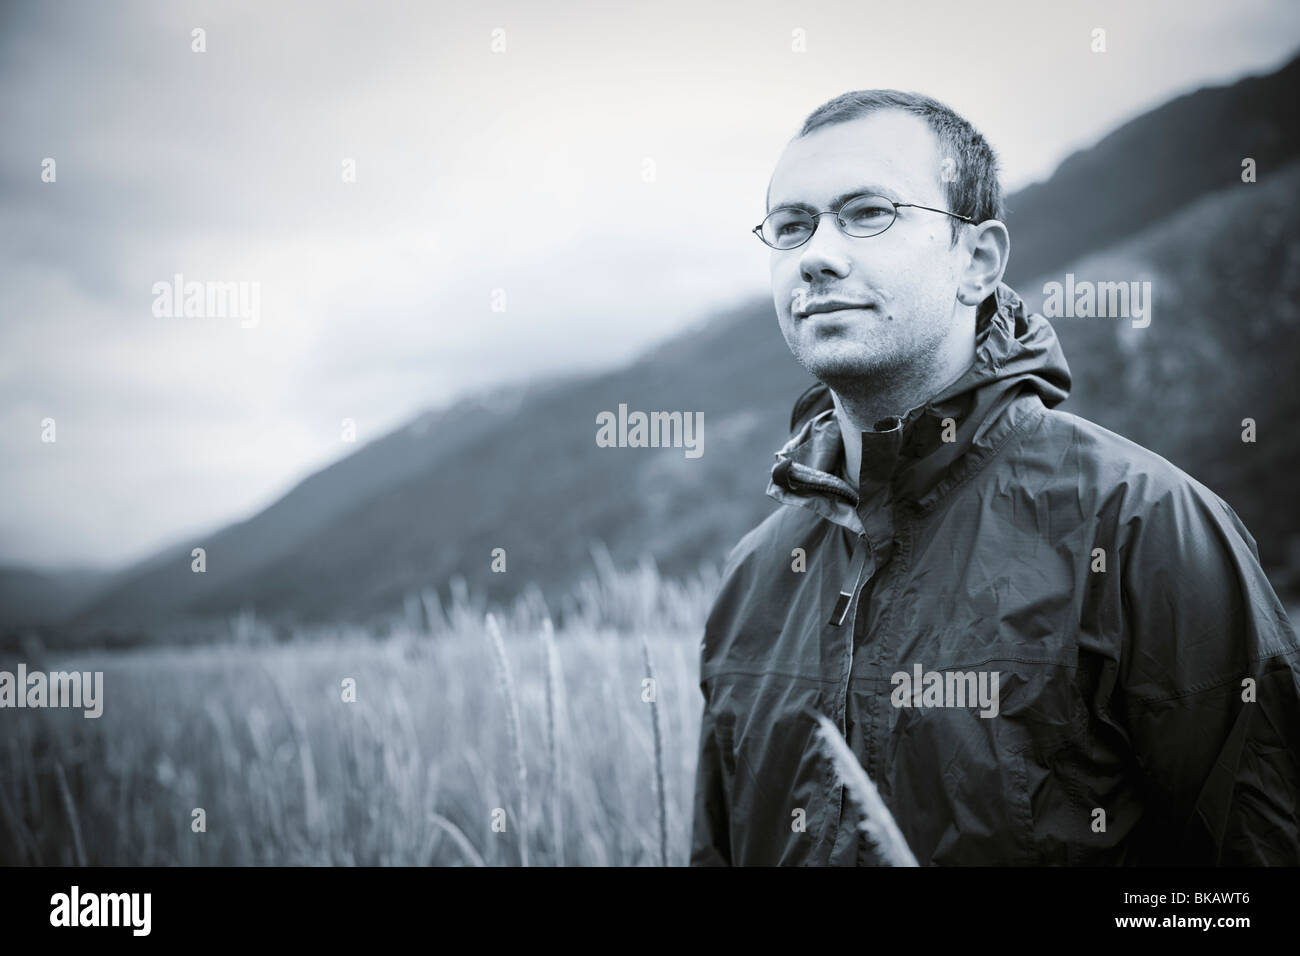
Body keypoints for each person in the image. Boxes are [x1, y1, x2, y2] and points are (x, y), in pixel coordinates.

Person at [689, 89, 1300, 866]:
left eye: (867, 212)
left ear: (976, 261)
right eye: (791, 226)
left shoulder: (1144, 528)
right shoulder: (753, 578)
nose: (817, 253)